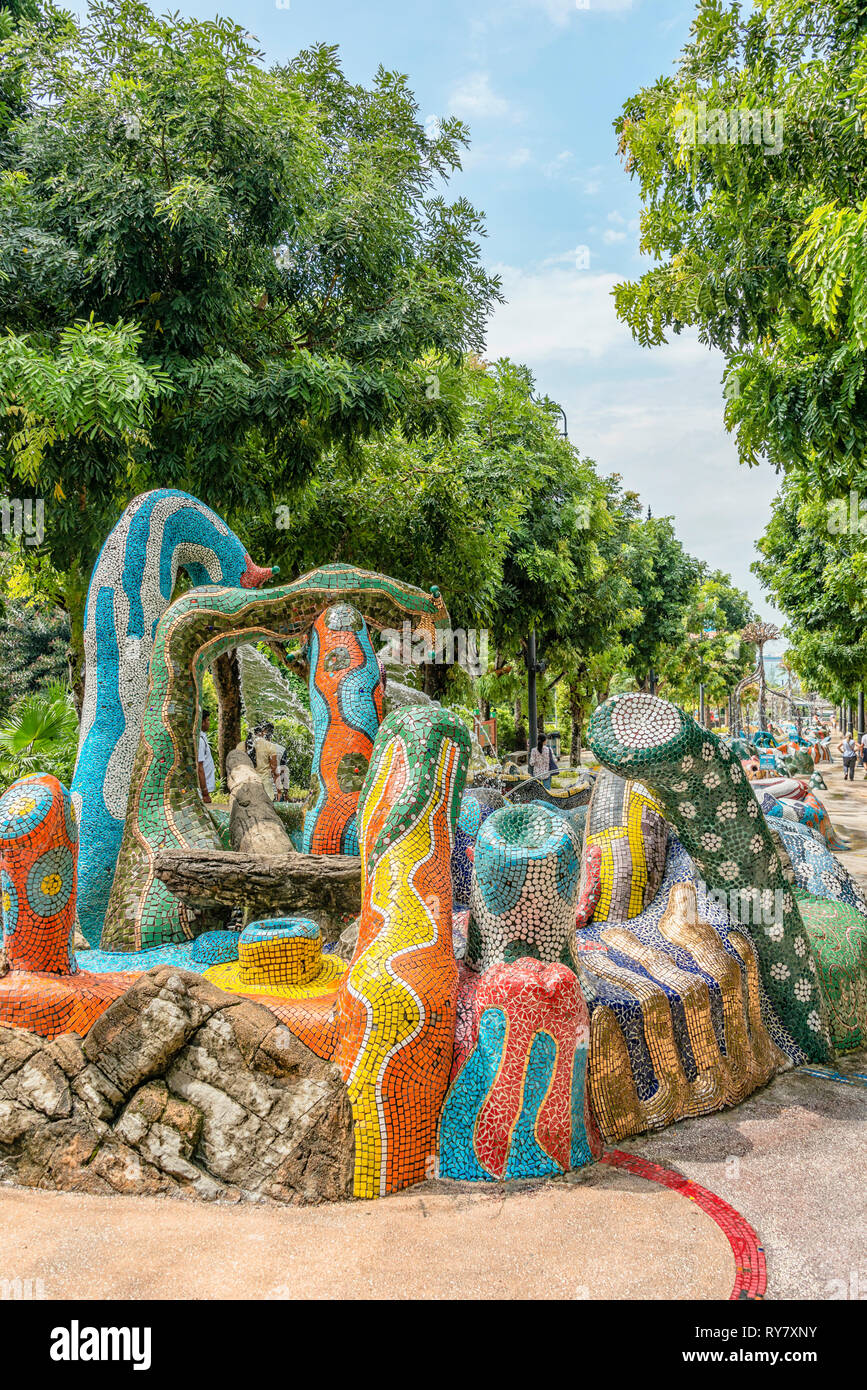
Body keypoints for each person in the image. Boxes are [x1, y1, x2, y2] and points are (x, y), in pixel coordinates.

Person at [253, 720, 281, 801]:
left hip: (249, 785)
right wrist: (279, 791)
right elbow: (274, 770)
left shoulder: (247, 744)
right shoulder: (270, 746)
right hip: (265, 787)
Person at [197, 710, 216, 804]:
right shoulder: (200, 741)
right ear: (202, 722)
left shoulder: (203, 737)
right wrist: (205, 793)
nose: (209, 723)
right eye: (208, 720)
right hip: (202, 792)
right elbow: (199, 767)